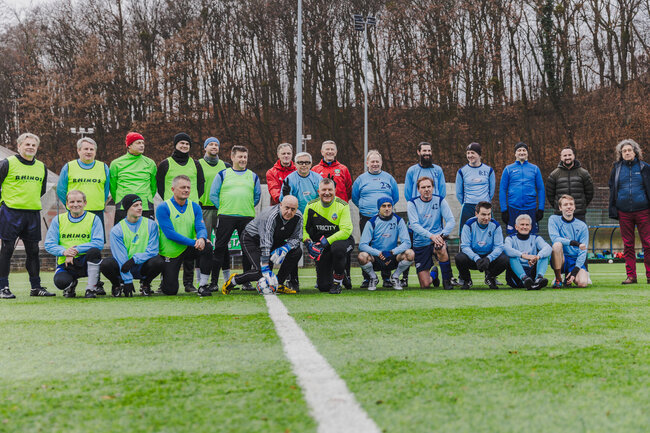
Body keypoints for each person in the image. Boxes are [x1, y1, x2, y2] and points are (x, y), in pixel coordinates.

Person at [0, 133, 53, 299]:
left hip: (32, 213)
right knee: (7, 250)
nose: (30, 147)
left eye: (33, 145)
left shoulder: (41, 166)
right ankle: (3, 287)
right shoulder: (7, 163)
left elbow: (42, 190)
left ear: (37, 148)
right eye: (27, 144)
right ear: (19, 146)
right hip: (11, 212)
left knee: (34, 251)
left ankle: (35, 287)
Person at [57, 137, 110, 296]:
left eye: (91, 149)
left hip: (96, 212)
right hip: (75, 213)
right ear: (78, 150)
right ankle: (70, 279)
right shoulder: (69, 167)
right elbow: (61, 190)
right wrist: (72, 207)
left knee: (95, 249)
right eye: (85, 149)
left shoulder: (103, 167)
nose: (88, 152)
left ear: (95, 151)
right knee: (73, 243)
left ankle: (96, 283)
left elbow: (106, 189)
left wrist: (99, 203)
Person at [221, 196, 302, 295]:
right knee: (261, 272)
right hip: (251, 239)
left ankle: (278, 283)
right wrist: (265, 266)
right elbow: (266, 242)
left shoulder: (298, 217)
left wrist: (286, 248)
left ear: (297, 209)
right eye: (287, 208)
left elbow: (297, 238)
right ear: (280, 205)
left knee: (296, 251)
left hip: (273, 241)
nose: (289, 212)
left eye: (293, 209)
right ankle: (234, 280)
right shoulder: (270, 216)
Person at [156, 132, 205, 293]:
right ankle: (165, 280)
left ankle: (189, 283)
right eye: (181, 143)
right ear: (175, 145)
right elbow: (159, 185)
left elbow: (201, 184)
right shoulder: (165, 163)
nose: (184, 146)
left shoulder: (196, 164)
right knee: (171, 242)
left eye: (187, 144)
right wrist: (170, 199)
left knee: (195, 242)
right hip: (172, 207)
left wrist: (193, 199)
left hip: (191, 206)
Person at [209, 145, 261, 290]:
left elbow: (257, 197)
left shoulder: (253, 176)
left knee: (248, 250)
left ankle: (246, 281)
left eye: (245, 157)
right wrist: (225, 207)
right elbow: (213, 195)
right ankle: (213, 283)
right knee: (219, 248)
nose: (243, 159)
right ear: (232, 157)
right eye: (240, 156)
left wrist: (245, 206)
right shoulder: (223, 174)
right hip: (226, 216)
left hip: (247, 217)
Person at [156, 175, 213, 296]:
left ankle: (202, 285)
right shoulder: (163, 207)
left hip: (189, 248)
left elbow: (201, 227)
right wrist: (194, 242)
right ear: (173, 189)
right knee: (170, 291)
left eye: (188, 187)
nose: (186, 190)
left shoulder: (195, 206)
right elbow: (170, 234)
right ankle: (164, 279)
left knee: (207, 246)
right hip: (171, 251)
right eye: (182, 187)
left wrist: (202, 238)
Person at [352, 150, 400, 288]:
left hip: (385, 218)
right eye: (372, 161)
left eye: (377, 161)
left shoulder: (389, 178)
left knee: (386, 245)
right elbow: (355, 198)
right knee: (366, 246)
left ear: (381, 163)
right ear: (367, 163)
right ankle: (368, 278)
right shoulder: (360, 179)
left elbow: (395, 197)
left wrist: (384, 210)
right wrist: (366, 208)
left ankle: (386, 278)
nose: (374, 164)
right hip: (367, 217)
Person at [44, 190, 104, 298]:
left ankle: (91, 289)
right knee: (61, 282)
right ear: (67, 204)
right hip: (66, 263)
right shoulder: (58, 220)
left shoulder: (94, 219)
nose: (75, 204)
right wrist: (64, 251)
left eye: (79, 201)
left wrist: (76, 250)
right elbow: (49, 244)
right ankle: (71, 285)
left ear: (85, 203)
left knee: (94, 251)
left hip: (86, 261)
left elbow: (98, 243)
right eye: (72, 202)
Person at [101, 194, 164, 297]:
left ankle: (146, 284)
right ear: (127, 208)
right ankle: (117, 285)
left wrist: (134, 259)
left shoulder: (151, 225)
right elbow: (120, 258)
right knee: (105, 264)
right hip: (124, 266)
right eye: (135, 205)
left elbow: (153, 251)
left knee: (158, 262)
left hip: (143, 264)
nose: (140, 208)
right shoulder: (117, 230)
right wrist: (127, 281)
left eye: (140, 204)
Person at [608, 139, 650, 284]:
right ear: (621, 153)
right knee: (628, 245)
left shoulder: (645, 167)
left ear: (635, 152)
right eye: (624, 151)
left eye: (629, 150)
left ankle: (649, 275)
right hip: (623, 212)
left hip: (644, 211)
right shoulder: (616, 169)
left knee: (648, 243)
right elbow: (612, 187)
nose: (627, 153)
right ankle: (631, 276)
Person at [303, 178, 354, 294]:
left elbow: (346, 230)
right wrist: (308, 242)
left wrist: (327, 241)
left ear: (335, 191)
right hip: (322, 246)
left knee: (337, 249)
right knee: (324, 286)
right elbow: (303, 229)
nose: (327, 193)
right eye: (324, 190)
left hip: (342, 242)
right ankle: (342, 274)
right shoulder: (310, 206)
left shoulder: (343, 205)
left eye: (330, 190)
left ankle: (337, 282)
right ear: (318, 191)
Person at [407, 176, 455, 290]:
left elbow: (451, 221)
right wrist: (431, 236)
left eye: (429, 186)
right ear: (418, 189)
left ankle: (447, 280)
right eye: (423, 187)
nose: (426, 189)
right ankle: (434, 275)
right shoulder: (412, 203)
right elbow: (414, 225)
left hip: (437, 240)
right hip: (420, 243)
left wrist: (441, 236)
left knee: (441, 248)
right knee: (425, 285)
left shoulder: (440, 200)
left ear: (433, 188)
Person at [358, 197, 414, 291]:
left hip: (392, 256)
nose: (387, 208)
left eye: (389, 206)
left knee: (410, 253)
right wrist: (378, 253)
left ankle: (395, 277)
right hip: (376, 257)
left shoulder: (398, 220)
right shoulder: (371, 222)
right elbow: (362, 245)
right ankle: (373, 278)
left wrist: (393, 252)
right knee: (362, 256)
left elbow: (407, 243)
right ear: (379, 208)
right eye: (383, 206)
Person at [198, 137, 232, 291]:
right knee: (202, 244)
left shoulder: (226, 166)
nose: (214, 146)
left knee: (222, 245)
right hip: (203, 208)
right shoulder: (197, 164)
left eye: (216, 144)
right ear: (205, 147)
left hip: (221, 209)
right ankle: (200, 280)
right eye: (210, 144)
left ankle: (226, 279)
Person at [455, 201, 508, 290]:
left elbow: (499, 247)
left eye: (489, 214)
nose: (487, 218)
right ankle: (467, 280)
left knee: (505, 259)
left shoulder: (496, 225)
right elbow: (465, 246)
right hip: (474, 258)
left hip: (489, 259)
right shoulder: (468, 225)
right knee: (459, 258)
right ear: (476, 214)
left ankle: (490, 277)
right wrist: (476, 258)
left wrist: (489, 258)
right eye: (483, 214)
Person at [499, 141, 545, 235]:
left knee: (532, 235)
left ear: (527, 153)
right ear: (515, 153)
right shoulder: (508, 169)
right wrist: (504, 210)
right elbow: (502, 190)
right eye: (519, 150)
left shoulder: (535, 169)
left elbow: (541, 189)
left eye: (524, 150)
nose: (521, 152)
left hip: (530, 208)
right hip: (513, 208)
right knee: (513, 236)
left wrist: (541, 209)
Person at [109, 132, 157, 223]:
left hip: (145, 206)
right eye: (138, 143)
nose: (142, 145)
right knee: (123, 234)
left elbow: (153, 186)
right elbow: (113, 187)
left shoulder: (150, 163)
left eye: (143, 143)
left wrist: (146, 197)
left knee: (147, 234)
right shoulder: (116, 163)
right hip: (123, 207)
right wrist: (121, 200)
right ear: (129, 146)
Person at [549, 195, 590, 288]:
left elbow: (583, 251)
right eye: (565, 204)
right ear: (560, 208)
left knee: (583, 283)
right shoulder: (553, 219)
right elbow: (555, 238)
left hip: (574, 260)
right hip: (561, 257)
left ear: (574, 207)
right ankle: (558, 279)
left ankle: (569, 276)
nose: (568, 207)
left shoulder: (582, 226)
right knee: (557, 245)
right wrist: (575, 243)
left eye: (571, 204)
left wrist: (575, 271)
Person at [504, 214, 551, 290]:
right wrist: (523, 256)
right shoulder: (510, 238)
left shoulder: (536, 238)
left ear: (530, 227)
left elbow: (548, 248)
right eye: (522, 224)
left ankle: (538, 279)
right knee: (512, 256)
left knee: (544, 255)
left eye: (527, 225)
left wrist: (537, 257)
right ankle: (524, 279)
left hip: (531, 270)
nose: (525, 227)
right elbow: (506, 249)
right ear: (516, 227)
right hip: (516, 275)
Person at [455, 142, 495, 231]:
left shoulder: (489, 170)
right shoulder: (462, 171)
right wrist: (467, 203)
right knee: (466, 232)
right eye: (468, 153)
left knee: (488, 232)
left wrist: (484, 202)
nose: (470, 155)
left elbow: (491, 191)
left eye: (473, 153)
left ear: (479, 154)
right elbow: (458, 192)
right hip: (468, 207)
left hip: (485, 207)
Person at [546, 147, 594, 222]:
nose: (567, 157)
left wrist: (581, 205)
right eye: (565, 156)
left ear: (573, 156)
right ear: (561, 158)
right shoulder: (554, 175)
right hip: (560, 214)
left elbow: (590, 192)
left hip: (579, 214)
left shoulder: (584, 173)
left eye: (569, 155)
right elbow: (550, 194)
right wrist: (559, 206)